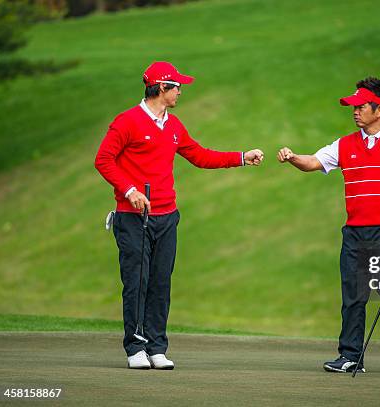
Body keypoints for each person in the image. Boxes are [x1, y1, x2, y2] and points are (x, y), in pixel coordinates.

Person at [95, 61, 264, 369]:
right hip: (133, 218)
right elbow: (104, 159)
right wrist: (130, 190)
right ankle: (135, 348)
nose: (180, 92)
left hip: (166, 216)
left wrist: (241, 157)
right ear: (161, 88)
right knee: (137, 282)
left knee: (161, 283)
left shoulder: (173, 125)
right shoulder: (127, 122)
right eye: (176, 87)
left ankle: (157, 347)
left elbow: (200, 156)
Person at [277, 77, 380, 373]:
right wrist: (292, 158)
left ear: (379, 109)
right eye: (352, 106)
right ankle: (351, 355)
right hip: (355, 229)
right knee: (353, 294)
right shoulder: (344, 145)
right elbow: (313, 162)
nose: (354, 111)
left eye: (360, 106)